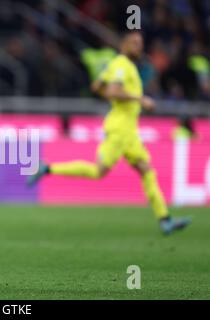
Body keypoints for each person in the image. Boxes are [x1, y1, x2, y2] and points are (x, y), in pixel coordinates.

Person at [28, 31, 191, 235]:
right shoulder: (122, 65)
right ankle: (47, 168)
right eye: (133, 43)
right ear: (123, 45)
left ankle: (165, 220)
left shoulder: (119, 65)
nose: (138, 47)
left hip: (129, 131)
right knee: (99, 171)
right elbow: (113, 90)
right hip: (119, 128)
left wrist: (114, 95)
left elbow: (97, 86)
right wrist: (140, 99)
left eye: (140, 43)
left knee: (147, 170)